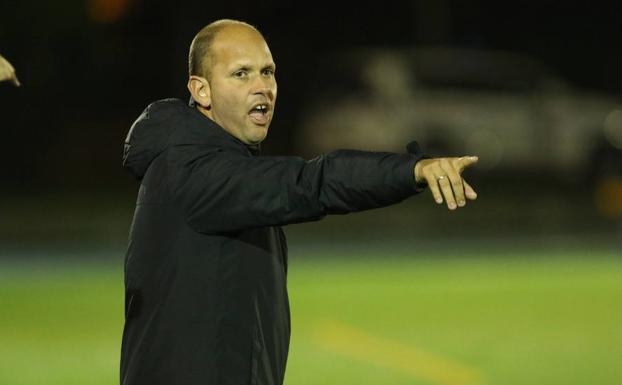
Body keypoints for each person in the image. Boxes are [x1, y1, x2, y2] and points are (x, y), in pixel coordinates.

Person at [120, 19, 478, 385]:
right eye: (241, 74)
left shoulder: (212, 163)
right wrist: (410, 171)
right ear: (202, 91)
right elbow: (311, 183)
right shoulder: (193, 171)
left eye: (267, 72)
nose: (262, 87)